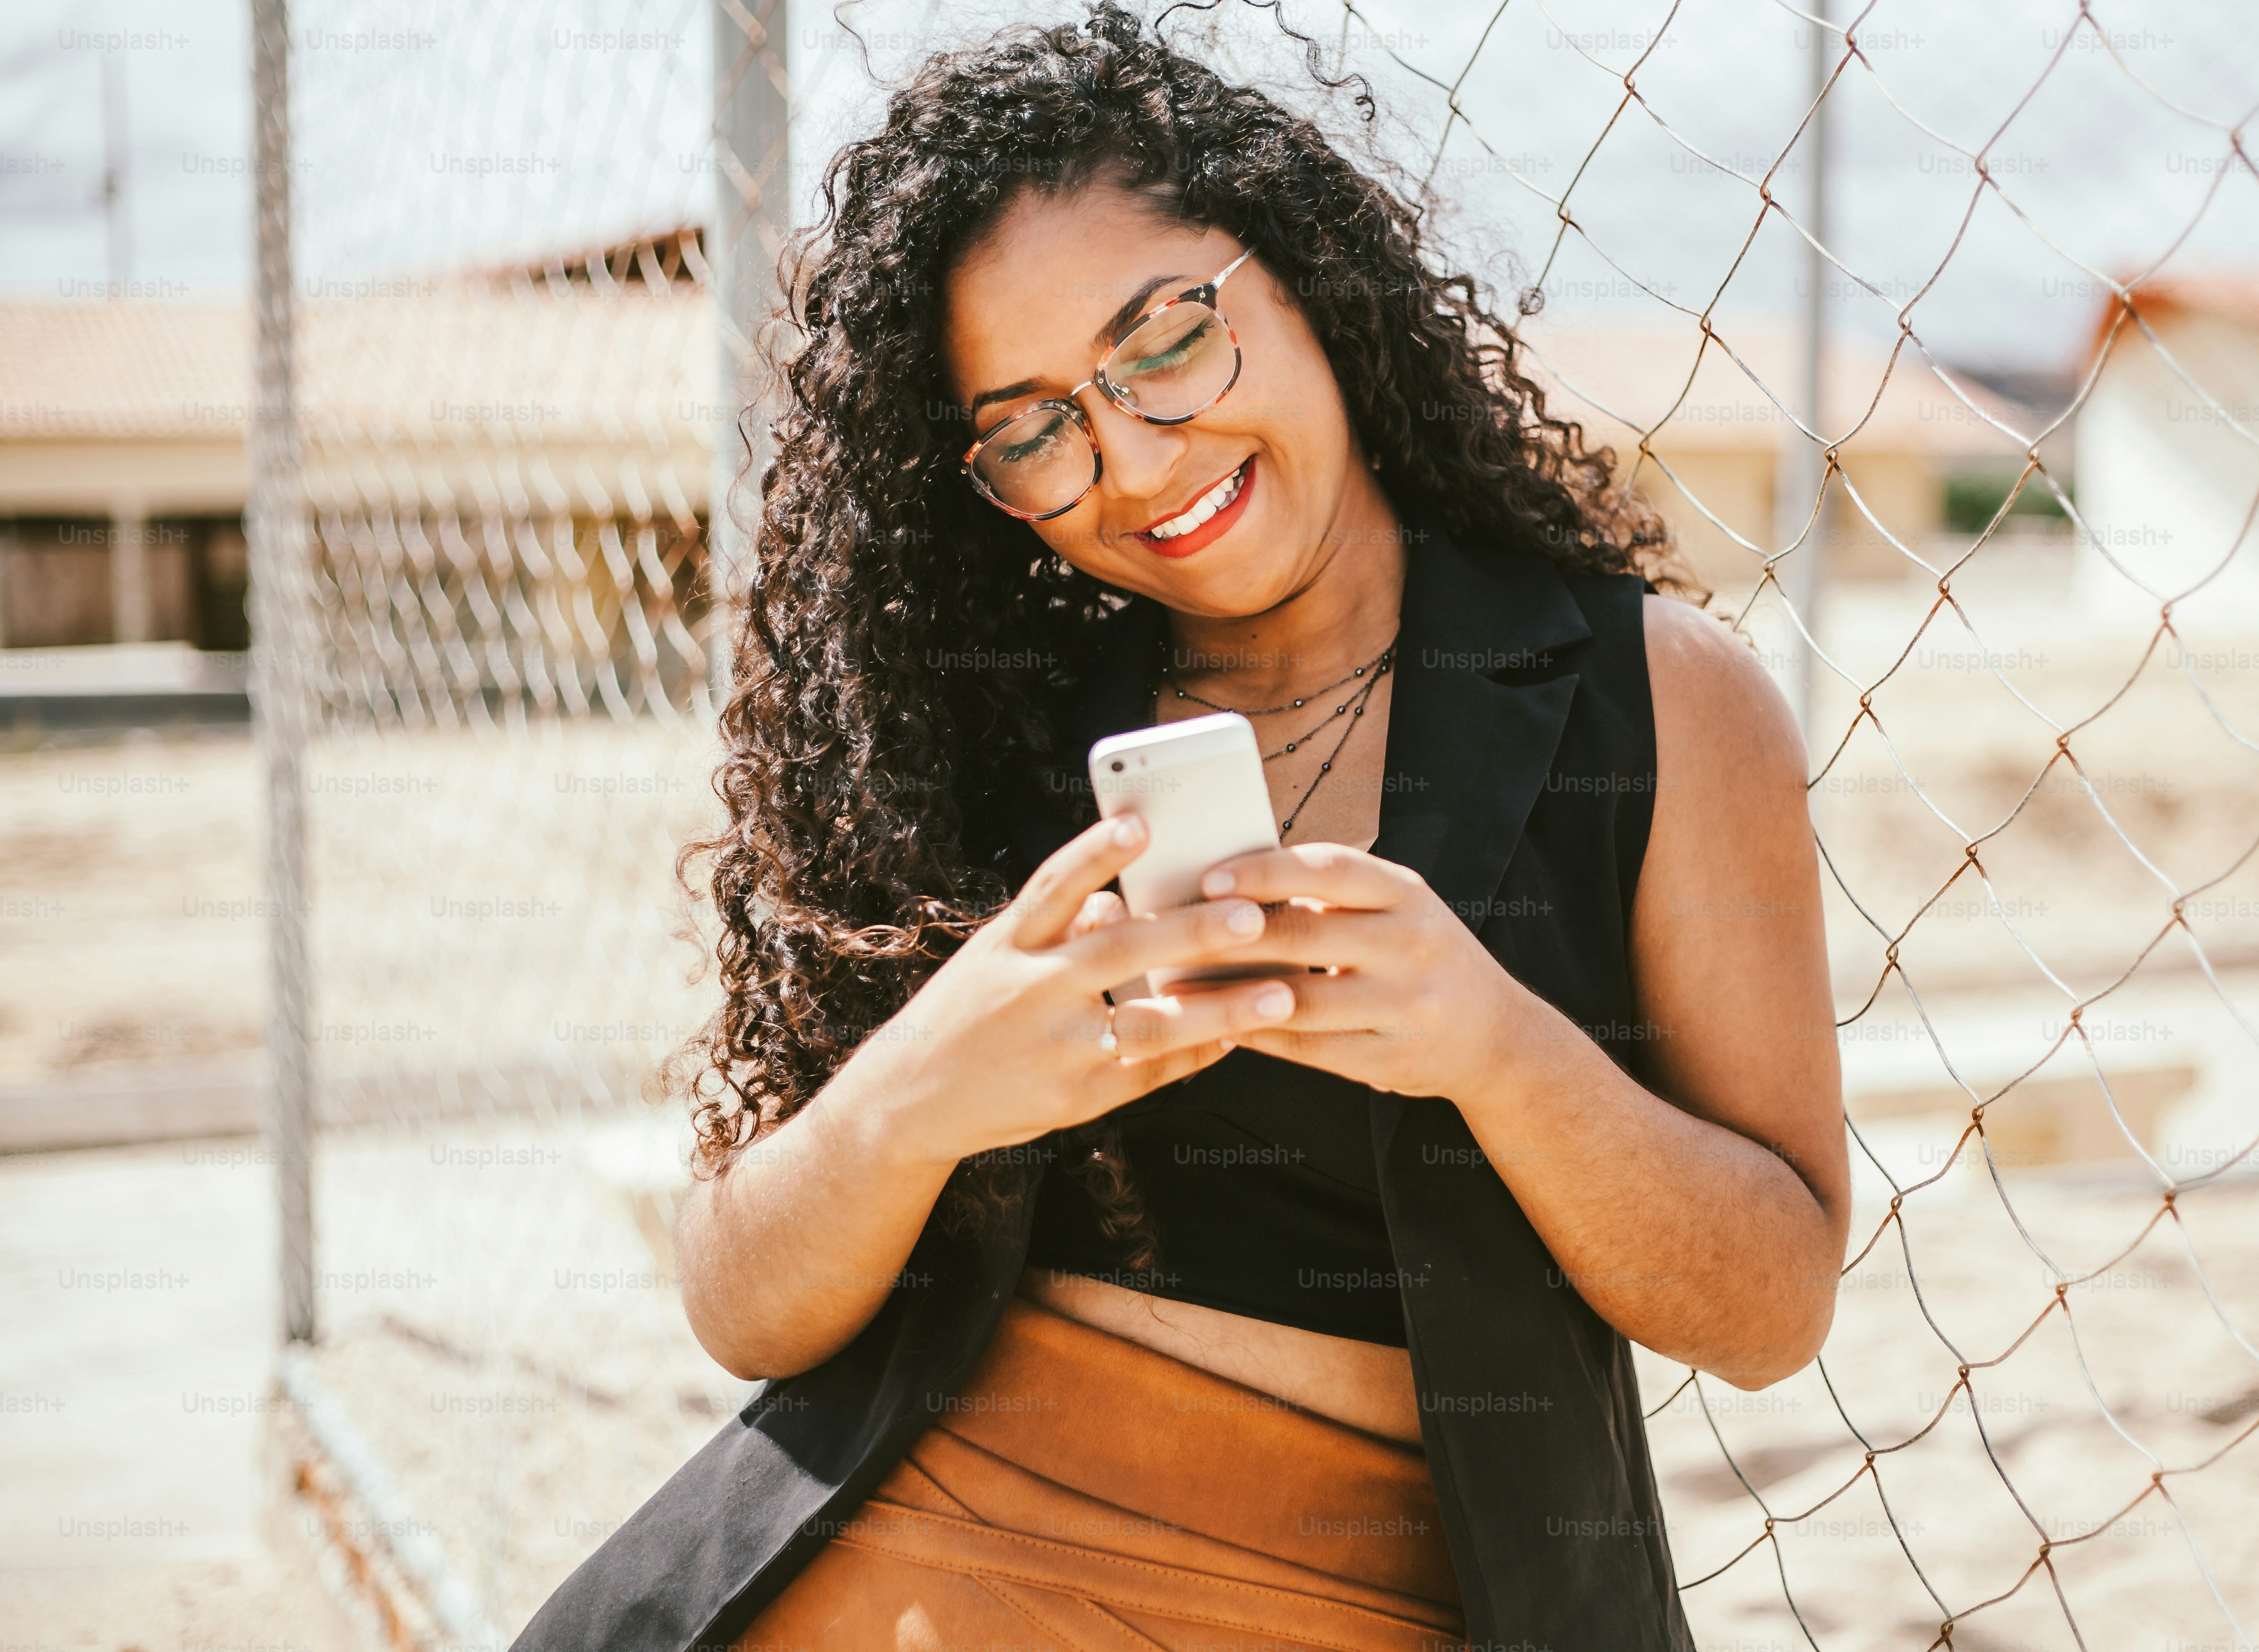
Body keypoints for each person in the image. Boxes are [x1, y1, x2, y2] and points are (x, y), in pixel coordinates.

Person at [513, 7, 1845, 1649]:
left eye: (1162, 341)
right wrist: (927, 1091)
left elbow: (1774, 1305)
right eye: (1029, 427)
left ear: (1303, 273)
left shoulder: (1651, 701)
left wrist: (1497, 1051)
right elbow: (741, 1302)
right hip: (901, 1545)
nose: (1134, 458)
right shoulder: (973, 721)